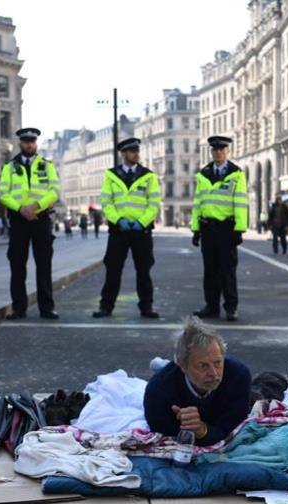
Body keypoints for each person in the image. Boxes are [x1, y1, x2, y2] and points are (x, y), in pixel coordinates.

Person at [143, 316, 252, 446]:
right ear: (183, 365)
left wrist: (202, 431)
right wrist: (190, 429)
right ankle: (163, 365)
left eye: (217, 363)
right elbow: (163, 437)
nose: (214, 373)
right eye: (203, 366)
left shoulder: (238, 376)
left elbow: (233, 430)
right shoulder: (158, 390)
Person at [93, 138, 162, 319]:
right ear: (123, 154)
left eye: (137, 151)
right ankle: (106, 307)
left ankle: (146, 307)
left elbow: (154, 203)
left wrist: (142, 222)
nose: (136, 154)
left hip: (142, 231)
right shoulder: (111, 175)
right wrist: (118, 220)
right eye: (132, 151)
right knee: (113, 270)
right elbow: (106, 202)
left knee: (144, 270)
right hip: (119, 231)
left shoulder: (149, 176)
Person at [0, 127, 61, 320]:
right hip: (19, 221)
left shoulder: (47, 166)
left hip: (40, 219)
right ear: (20, 144)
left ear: (36, 143)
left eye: (32, 141)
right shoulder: (9, 167)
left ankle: (47, 308)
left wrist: (36, 206)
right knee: (17, 266)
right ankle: (18, 308)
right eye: (26, 141)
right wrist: (21, 209)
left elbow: (54, 191)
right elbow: (3, 193)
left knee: (44, 265)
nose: (29, 144)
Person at [190, 136, 248, 322]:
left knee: (227, 270)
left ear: (227, 151)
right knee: (210, 271)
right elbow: (198, 203)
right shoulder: (203, 174)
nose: (218, 152)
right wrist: (196, 229)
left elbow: (240, 202)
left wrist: (239, 229)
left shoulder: (236, 173)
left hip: (227, 228)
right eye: (215, 150)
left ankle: (231, 307)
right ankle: (211, 306)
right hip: (208, 228)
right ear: (211, 152)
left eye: (221, 149)